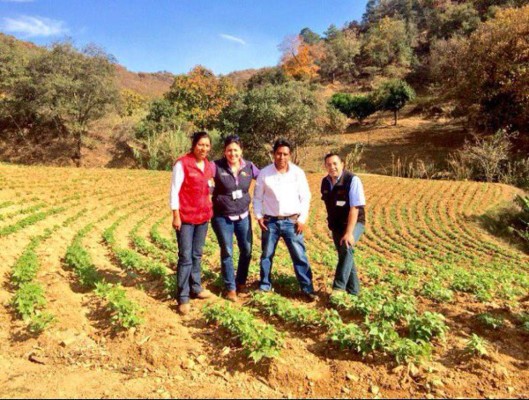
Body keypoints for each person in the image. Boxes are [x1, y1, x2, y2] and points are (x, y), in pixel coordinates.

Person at [253, 139, 316, 301]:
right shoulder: (265, 173)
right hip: (270, 222)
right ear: (274, 154)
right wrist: (259, 216)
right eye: (279, 154)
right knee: (266, 255)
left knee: (299, 255)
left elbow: (305, 197)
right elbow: (257, 198)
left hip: (292, 222)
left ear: (290, 155)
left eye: (285, 154)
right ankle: (265, 285)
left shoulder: (297, 173)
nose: (282, 157)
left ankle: (307, 288)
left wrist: (302, 219)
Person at [169, 131, 214, 315]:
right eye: (200, 145)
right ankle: (183, 296)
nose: (203, 148)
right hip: (186, 217)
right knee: (185, 257)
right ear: (194, 145)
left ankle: (196, 287)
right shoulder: (182, 164)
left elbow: (209, 187)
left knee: (197, 255)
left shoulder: (208, 166)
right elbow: (174, 191)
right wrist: (176, 215)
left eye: (207, 145)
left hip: (203, 217)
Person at [211, 135, 260, 302]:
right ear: (224, 152)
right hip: (222, 217)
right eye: (229, 150)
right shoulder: (215, 166)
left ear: (241, 151)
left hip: (243, 215)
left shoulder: (249, 167)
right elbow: (201, 174)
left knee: (246, 250)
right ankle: (230, 287)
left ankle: (241, 282)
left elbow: (265, 179)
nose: (233, 153)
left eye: (236, 150)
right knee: (227, 251)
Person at [320, 153, 366, 296]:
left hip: (354, 222)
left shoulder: (352, 180)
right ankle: (354, 292)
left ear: (342, 164)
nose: (332, 167)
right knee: (345, 255)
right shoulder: (325, 182)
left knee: (346, 247)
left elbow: (355, 208)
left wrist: (349, 233)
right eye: (328, 164)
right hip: (337, 225)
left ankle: (338, 288)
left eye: (335, 164)